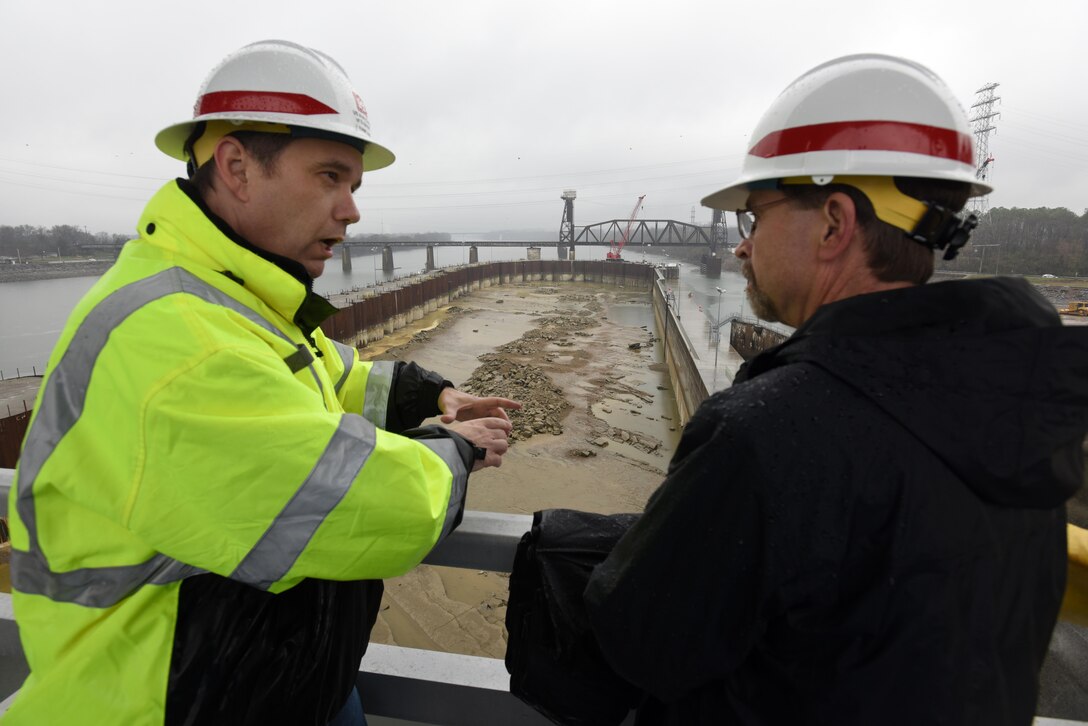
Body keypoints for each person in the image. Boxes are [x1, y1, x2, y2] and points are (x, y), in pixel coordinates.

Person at [5, 40, 519, 725]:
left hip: (269, 679)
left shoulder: (230, 299)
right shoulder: (175, 342)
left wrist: (432, 395)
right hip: (160, 700)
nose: (351, 211)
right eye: (331, 177)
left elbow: (330, 376)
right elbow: (361, 502)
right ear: (238, 167)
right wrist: (457, 446)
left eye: (354, 186)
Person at [581, 54, 1088, 724]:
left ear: (833, 223)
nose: (738, 248)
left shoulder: (769, 432)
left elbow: (644, 642)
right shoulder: (1026, 406)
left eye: (753, 216)